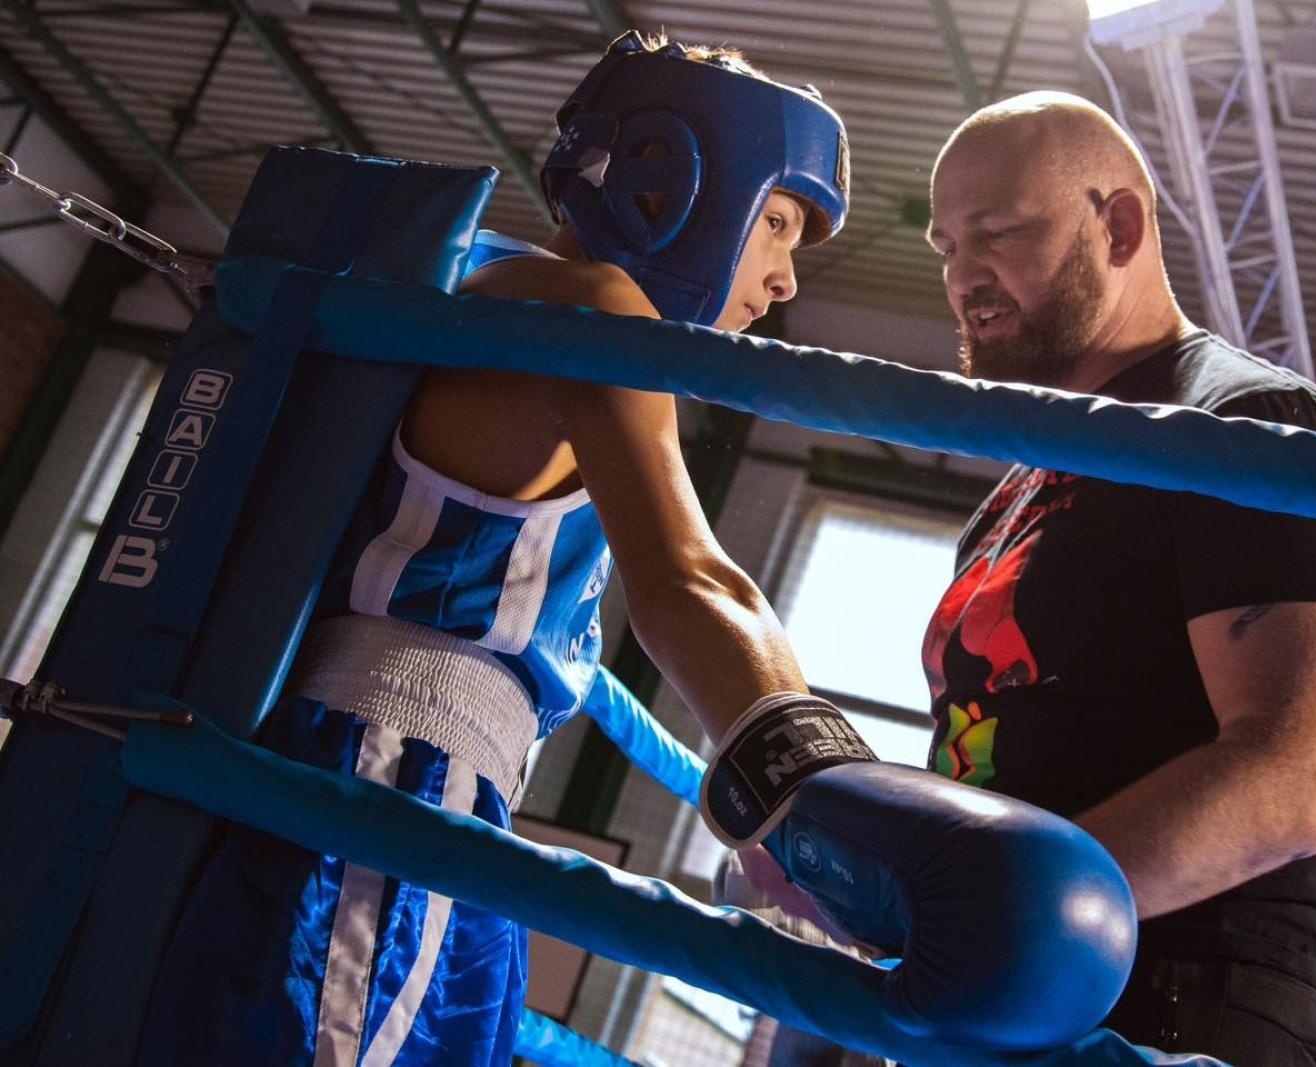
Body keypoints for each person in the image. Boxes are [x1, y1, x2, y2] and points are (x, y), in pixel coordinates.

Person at [137, 33, 849, 1067]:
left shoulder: (473, 280)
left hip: (387, 782)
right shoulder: (591, 307)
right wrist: (830, 798)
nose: (783, 281)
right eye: (778, 223)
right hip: (396, 784)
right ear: (677, 184)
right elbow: (689, 577)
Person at [921, 92, 1316, 1067]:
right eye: (946, 248)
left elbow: (1292, 777)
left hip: (1176, 1005)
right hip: (1014, 987)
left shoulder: (1250, 423)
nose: (965, 277)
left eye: (997, 234)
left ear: (1120, 226)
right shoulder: (1022, 484)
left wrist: (1005, 912)